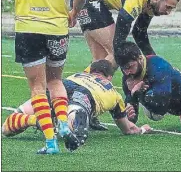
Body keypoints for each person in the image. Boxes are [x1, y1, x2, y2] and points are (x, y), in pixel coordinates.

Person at [1, 0, 87, 154]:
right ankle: (62, 122)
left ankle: (50, 142)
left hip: (28, 28)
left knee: (37, 88)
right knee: (55, 80)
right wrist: (73, 13)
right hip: (57, 26)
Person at [2, 60, 152, 141]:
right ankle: (72, 120)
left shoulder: (79, 74)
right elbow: (128, 129)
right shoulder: (113, 92)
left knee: (6, 129)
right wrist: (142, 129)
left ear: (91, 71)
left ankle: (36, 120)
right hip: (87, 94)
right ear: (110, 77)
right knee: (73, 118)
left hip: (64, 85)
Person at [71, 0, 180, 70]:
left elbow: (139, 34)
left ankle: (84, 86)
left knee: (100, 59)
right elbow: (119, 44)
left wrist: (157, 64)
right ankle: (86, 86)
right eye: (168, 7)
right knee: (117, 53)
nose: (168, 13)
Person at [113, 41, 181, 123]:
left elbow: (160, 108)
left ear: (140, 58)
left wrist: (137, 93)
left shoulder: (158, 66)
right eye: (123, 69)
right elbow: (132, 118)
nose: (127, 72)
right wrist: (130, 114)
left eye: (130, 67)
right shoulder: (128, 77)